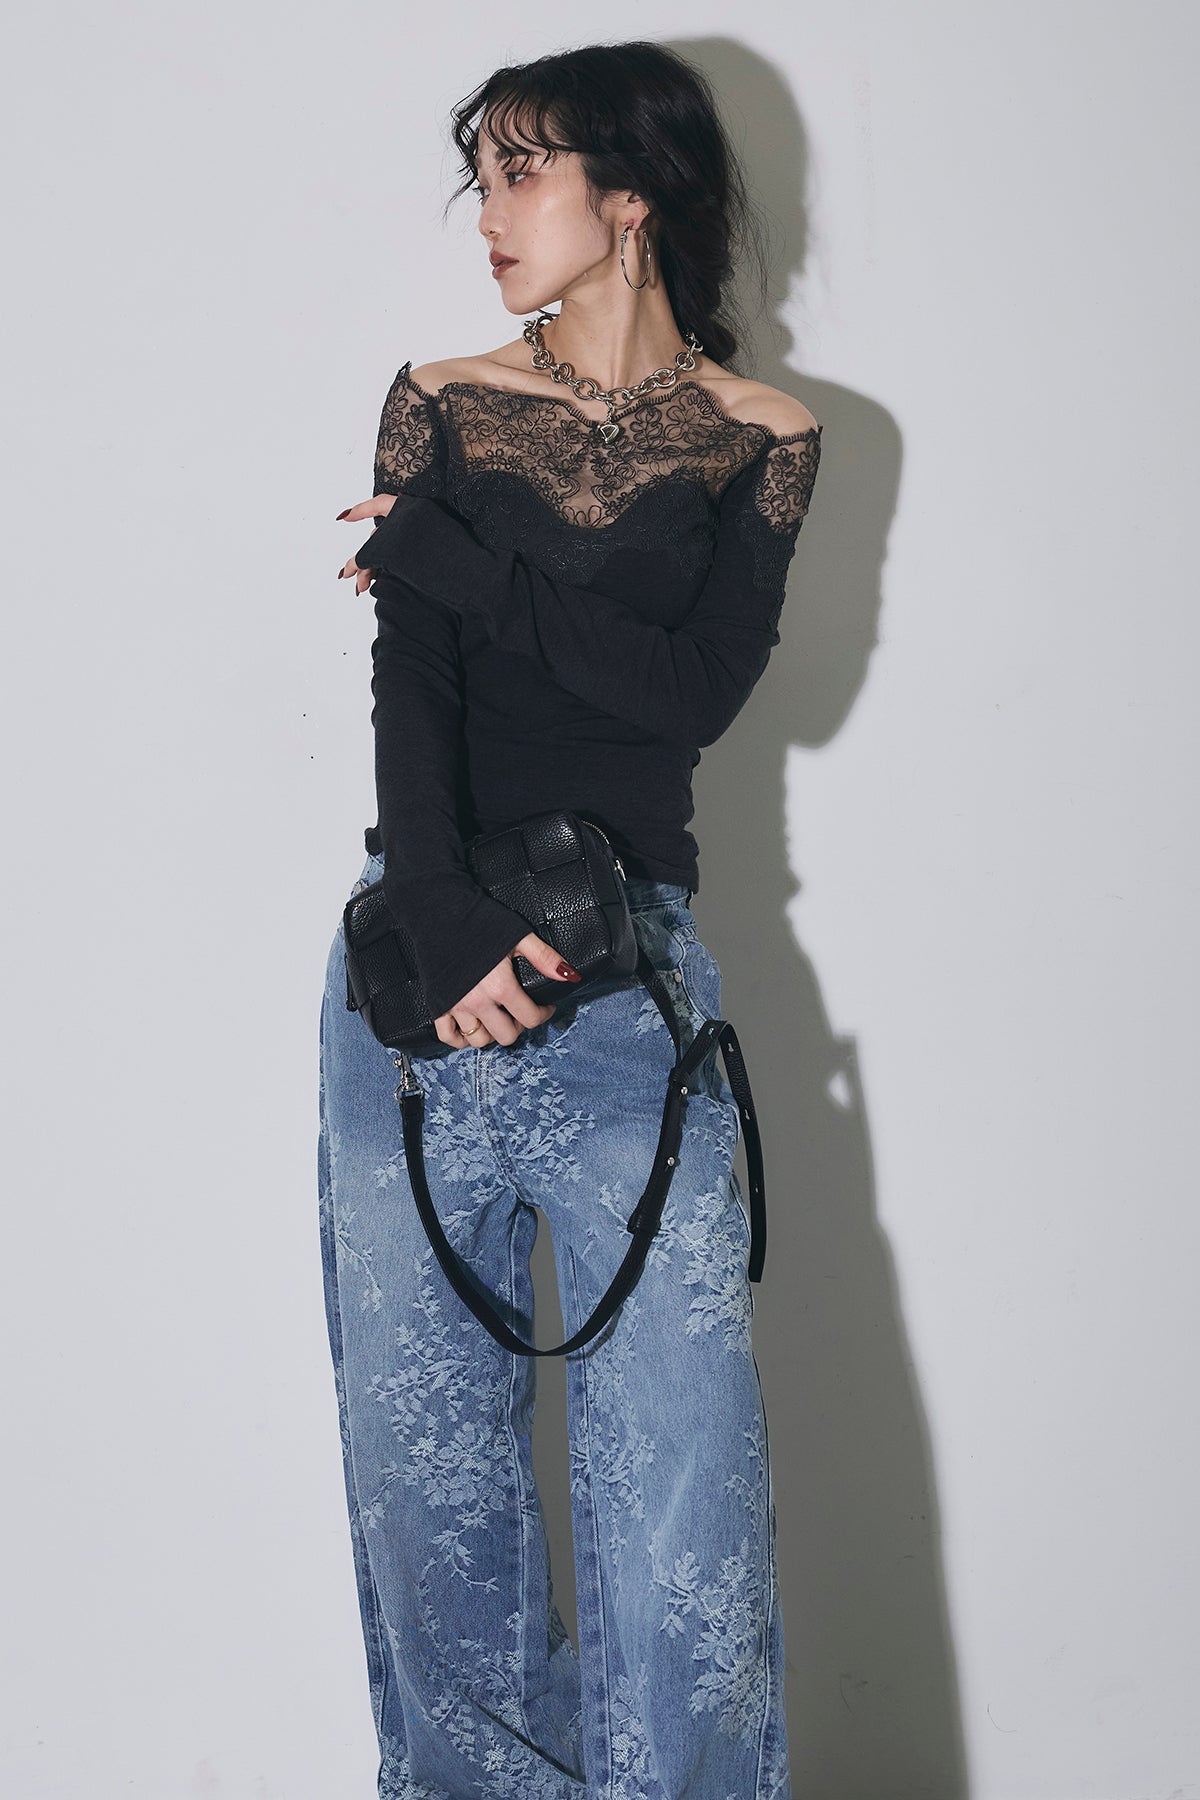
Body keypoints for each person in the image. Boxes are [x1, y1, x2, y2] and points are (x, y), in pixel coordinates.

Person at [319, 39, 823, 1800]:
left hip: (634, 981)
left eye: (523, 170)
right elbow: (414, 691)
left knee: (682, 1480)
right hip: (423, 964)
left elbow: (688, 698)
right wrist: (444, 922)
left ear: (631, 197)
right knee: (428, 1473)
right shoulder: (442, 400)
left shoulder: (764, 439)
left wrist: (463, 562)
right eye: (483, 176)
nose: (490, 212)